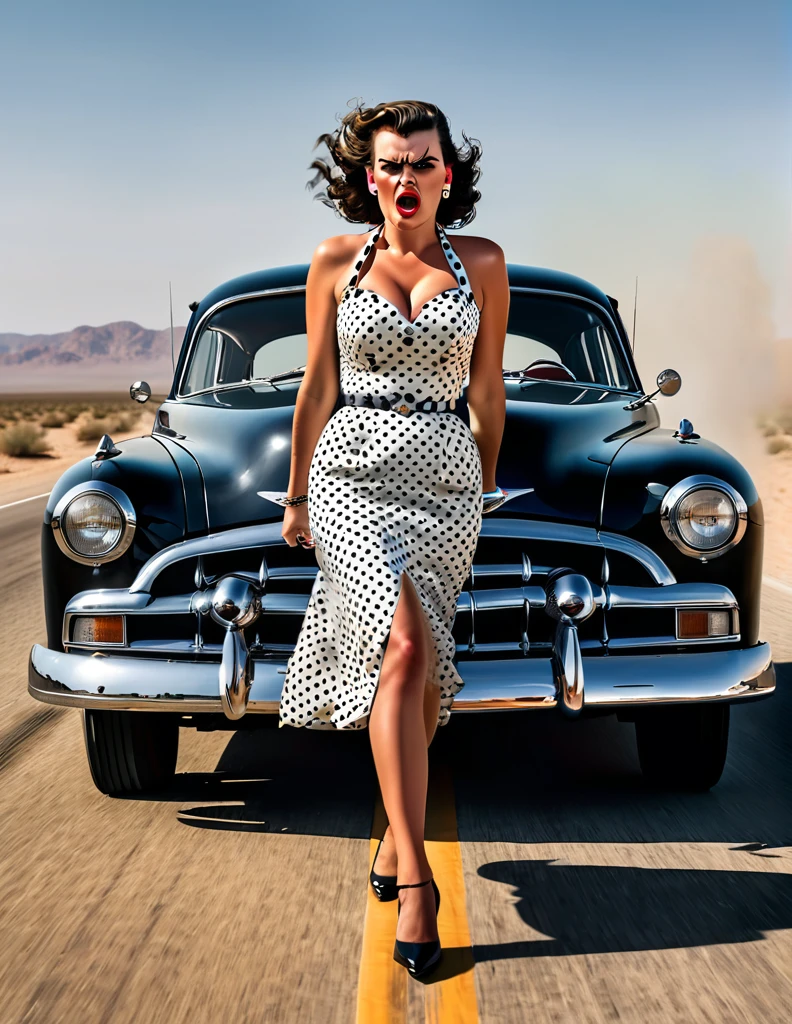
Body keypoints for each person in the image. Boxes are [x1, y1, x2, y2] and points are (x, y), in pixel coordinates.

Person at [279, 99, 509, 979]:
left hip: (448, 479)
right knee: (401, 645)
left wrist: (489, 480)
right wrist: (298, 496)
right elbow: (314, 387)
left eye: (423, 162)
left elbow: (487, 389)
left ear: (448, 174)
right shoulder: (336, 261)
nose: (406, 179)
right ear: (365, 177)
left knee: (412, 670)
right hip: (351, 474)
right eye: (391, 164)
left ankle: (389, 840)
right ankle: (417, 879)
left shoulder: (481, 263)